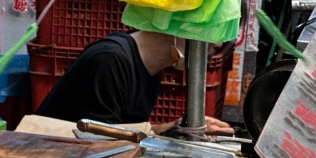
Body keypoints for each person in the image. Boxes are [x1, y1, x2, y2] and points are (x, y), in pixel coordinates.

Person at [35, 30, 234, 136]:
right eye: (210, 48)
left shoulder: (152, 66)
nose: (207, 59)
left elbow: (121, 130)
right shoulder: (109, 60)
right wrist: (169, 129)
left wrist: (178, 127)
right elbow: (98, 138)